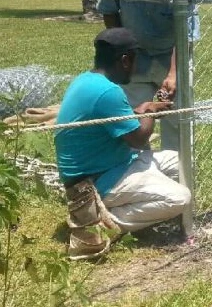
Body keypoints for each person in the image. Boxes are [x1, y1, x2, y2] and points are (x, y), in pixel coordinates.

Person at [56, 28, 191, 260]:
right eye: (136, 60)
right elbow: (139, 139)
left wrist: (146, 108)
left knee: (184, 161)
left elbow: (124, 120)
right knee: (179, 197)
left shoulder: (86, 80)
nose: (137, 67)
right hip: (97, 181)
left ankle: (120, 206)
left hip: (111, 164)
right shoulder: (108, 91)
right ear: (125, 60)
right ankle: (97, 223)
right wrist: (149, 109)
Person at [97, 0, 200, 151]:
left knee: (177, 117)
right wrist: (121, 53)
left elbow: (186, 35)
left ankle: (177, 172)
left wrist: (173, 74)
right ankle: (136, 168)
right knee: (131, 117)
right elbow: (109, 11)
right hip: (134, 55)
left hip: (169, 55)